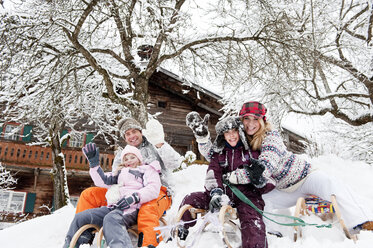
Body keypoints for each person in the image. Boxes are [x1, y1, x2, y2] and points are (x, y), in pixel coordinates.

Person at [187, 101, 373, 236]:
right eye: (247, 119)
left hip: (304, 177)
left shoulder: (271, 136)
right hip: (281, 188)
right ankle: (272, 233)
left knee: (330, 184)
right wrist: (203, 138)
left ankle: (359, 222)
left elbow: (265, 165)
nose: (251, 123)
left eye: (255, 119)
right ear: (241, 120)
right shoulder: (240, 139)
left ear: (262, 120)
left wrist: (236, 176)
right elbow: (215, 155)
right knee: (260, 201)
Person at [75, 118, 183, 247]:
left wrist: (159, 143)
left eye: (134, 131)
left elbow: (176, 163)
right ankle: (84, 236)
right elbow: (115, 179)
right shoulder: (122, 154)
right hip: (126, 194)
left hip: (157, 191)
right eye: (127, 134)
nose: (132, 136)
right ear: (124, 138)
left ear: (141, 132)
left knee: (147, 209)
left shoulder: (153, 145)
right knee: (89, 194)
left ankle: (149, 243)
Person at [175, 116, 275, 248]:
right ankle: (180, 231)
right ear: (223, 136)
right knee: (190, 198)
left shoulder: (252, 153)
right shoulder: (219, 154)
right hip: (221, 195)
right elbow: (213, 173)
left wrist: (260, 181)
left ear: (240, 132)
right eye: (227, 132)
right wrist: (215, 193)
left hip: (246, 197)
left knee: (252, 222)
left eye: (234, 131)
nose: (231, 135)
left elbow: (270, 180)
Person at [63, 144, 161, 248]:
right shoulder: (119, 173)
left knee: (111, 218)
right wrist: (94, 165)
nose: (129, 161)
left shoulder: (147, 170)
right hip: (114, 208)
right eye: (126, 159)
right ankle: (74, 245)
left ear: (139, 158)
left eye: (133, 157)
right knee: (81, 217)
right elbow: (101, 180)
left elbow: (153, 188)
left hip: (132, 209)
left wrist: (134, 197)